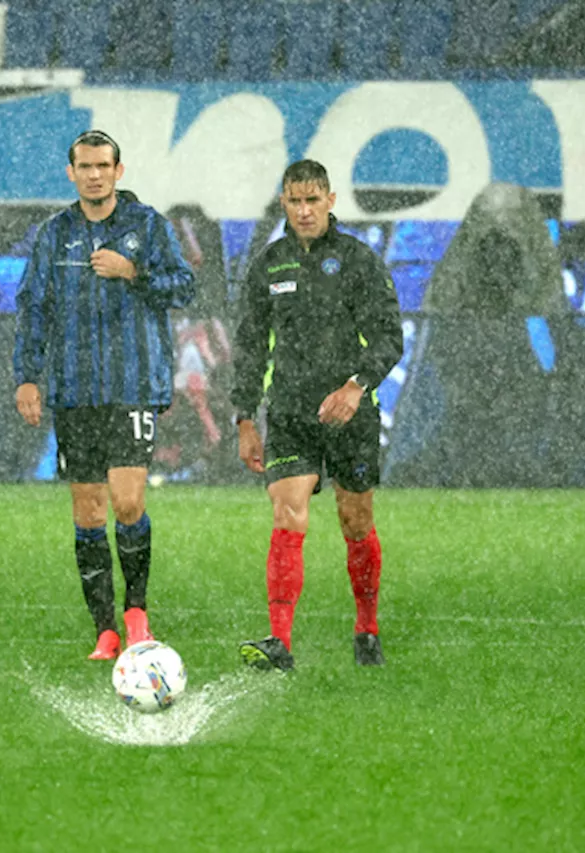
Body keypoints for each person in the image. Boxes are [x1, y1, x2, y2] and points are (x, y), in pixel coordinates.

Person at [13, 130, 196, 660]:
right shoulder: (55, 235)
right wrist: (28, 376)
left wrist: (133, 271)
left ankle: (136, 612)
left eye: (103, 165)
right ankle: (105, 629)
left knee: (128, 500)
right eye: (84, 166)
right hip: (74, 390)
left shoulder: (148, 227)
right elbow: (34, 308)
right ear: (71, 173)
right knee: (88, 512)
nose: (94, 174)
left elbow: (184, 287)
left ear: (120, 171)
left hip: (133, 385)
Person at [231, 159, 404, 671]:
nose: (304, 211)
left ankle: (366, 628)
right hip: (288, 414)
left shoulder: (358, 261)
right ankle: (279, 643)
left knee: (356, 521)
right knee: (288, 512)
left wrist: (356, 388)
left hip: (351, 418)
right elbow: (248, 346)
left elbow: (389, 337)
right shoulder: (269, 266)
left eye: (313, 200)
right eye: (294, 201)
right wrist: (244, 416)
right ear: (283, 203)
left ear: (331, 201)